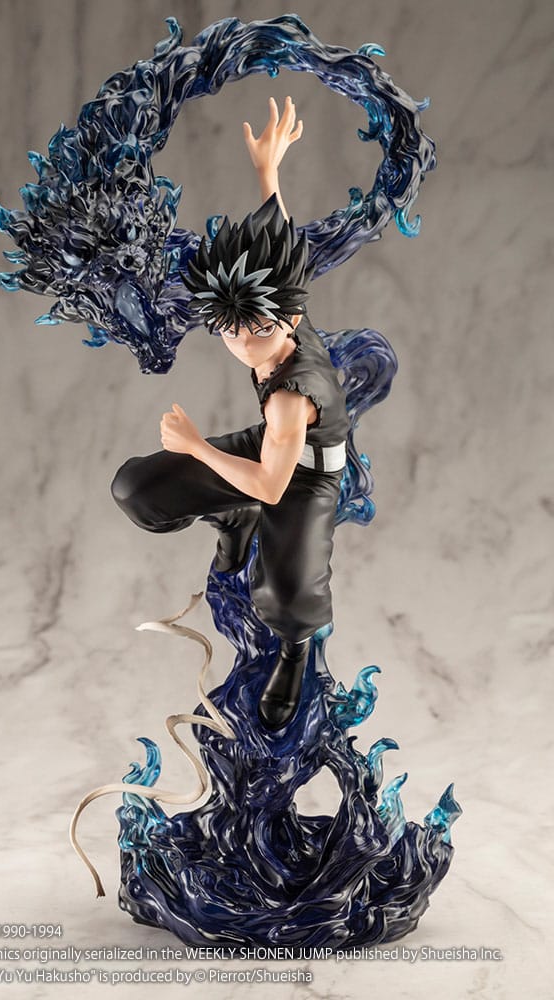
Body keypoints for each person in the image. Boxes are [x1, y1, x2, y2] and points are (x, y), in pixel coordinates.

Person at [111, 97, 349, 730]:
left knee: (288, 594)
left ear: (290, 319)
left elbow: (272, 485)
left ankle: (296, 654)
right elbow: (279, 248)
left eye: (257, 331)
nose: (244, 345)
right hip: (269, 447)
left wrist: (198, 446)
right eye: (230, 331)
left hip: (305, 475)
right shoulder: (275, 307)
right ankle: (230, 515)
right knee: (139, 488)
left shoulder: (293, 393)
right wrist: (269, 173)